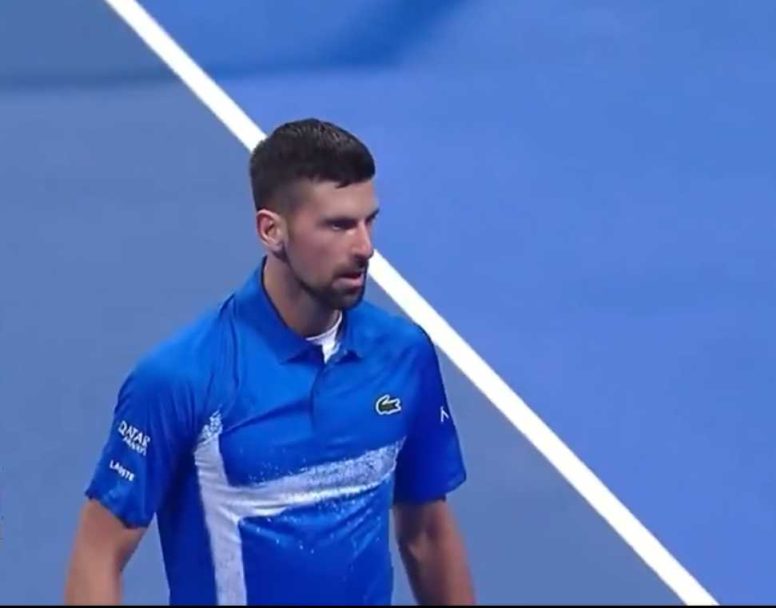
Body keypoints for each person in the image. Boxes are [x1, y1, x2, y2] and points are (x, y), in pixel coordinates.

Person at [63, 118, 475, 605]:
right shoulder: (182, 378)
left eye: (369, 221)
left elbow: (426, 534)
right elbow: (99, 551)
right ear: (271, 230)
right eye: (339, 225)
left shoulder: (404, 355)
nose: (365, 247)